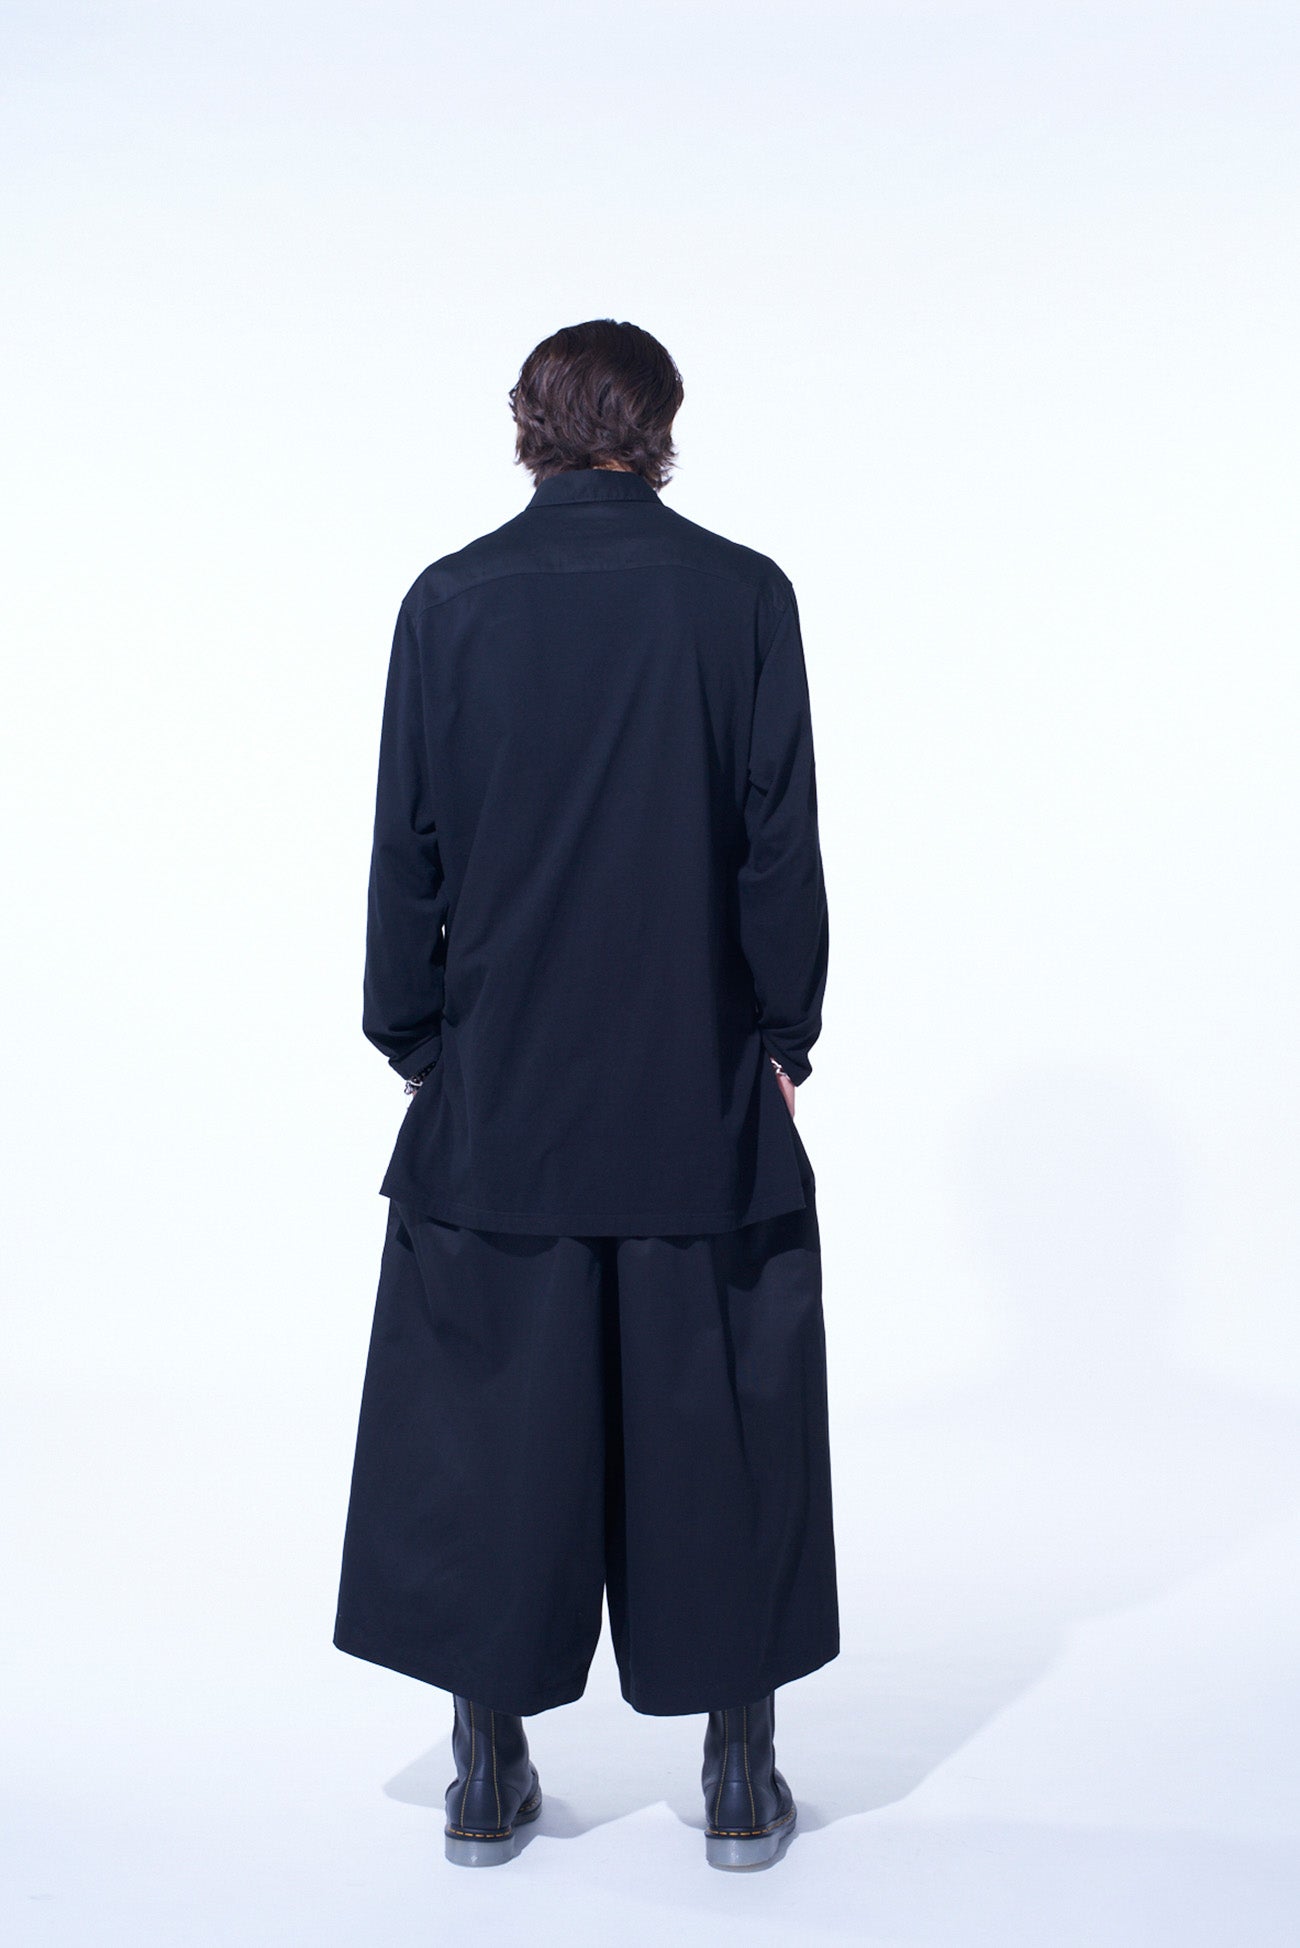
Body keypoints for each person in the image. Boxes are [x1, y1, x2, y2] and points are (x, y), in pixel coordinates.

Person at [333, 318, 838, 1871]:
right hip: (693, 1086)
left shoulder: (450, 601)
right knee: (721, 1427)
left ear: (527, 424)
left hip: (508, 1094)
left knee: (494, 1428)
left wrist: (417, 1040)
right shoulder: (741, 595)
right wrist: (783, 1036)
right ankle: (740, 1774)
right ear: (663, 426)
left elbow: (408, 847)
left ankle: (487, 1771)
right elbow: (776, 840)